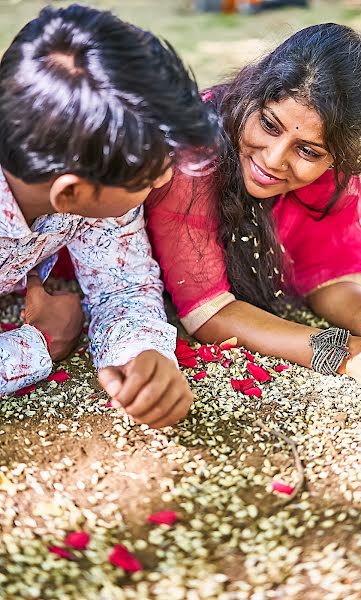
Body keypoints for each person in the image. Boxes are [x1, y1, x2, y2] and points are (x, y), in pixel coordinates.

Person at [147, 22, 361, 395]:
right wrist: (350, 354)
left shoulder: (329, 177)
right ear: (253, 95)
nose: (273, 159)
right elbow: (209, 313)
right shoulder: (193, 156)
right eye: (269, 124)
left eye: (308, 151)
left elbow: (324, 277)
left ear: (337, 158)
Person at [0, 4, 219, 427]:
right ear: (71, 193)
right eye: (150, 177)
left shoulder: (83, 167)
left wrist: (143, 356)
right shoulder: (87, 168)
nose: (165, 180)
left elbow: (123, 284)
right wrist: (40, 343)